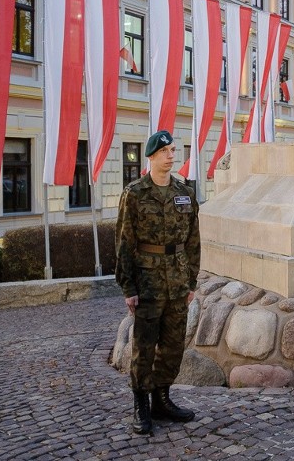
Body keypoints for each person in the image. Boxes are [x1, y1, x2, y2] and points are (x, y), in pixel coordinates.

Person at [115, 130, 200, 435]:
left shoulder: (185, 192)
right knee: (144, 347)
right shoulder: (135, 193)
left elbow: (193, 240)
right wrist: (128, 287)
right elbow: (125, 241)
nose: (171, 156)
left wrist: (191, 281)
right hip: (148, 281)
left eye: (174, 150)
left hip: (177, 282)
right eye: (165, 151)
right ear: (151, 155)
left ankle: (162, 399)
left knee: (174, 345)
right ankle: (141, 404)